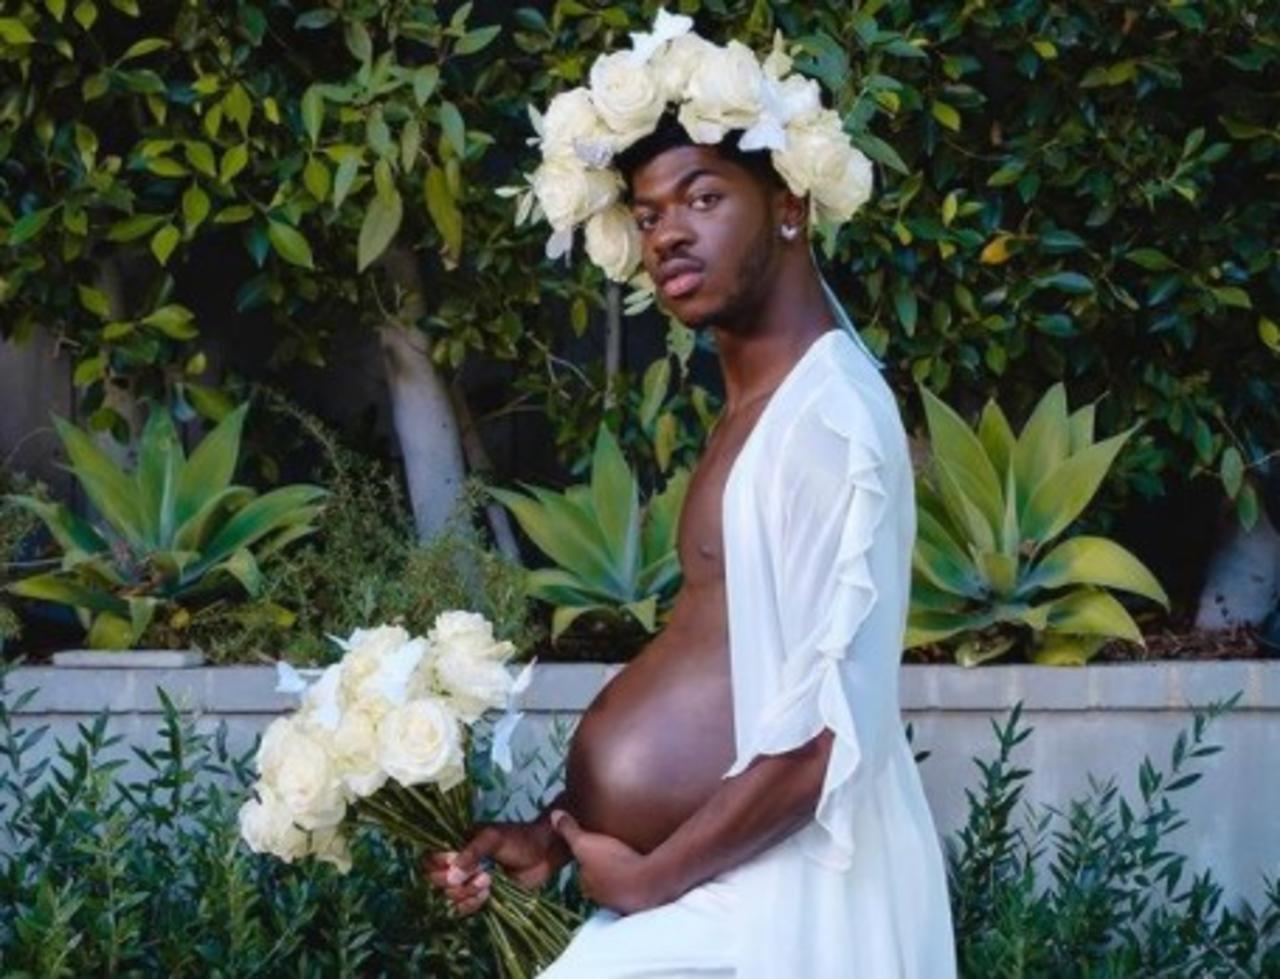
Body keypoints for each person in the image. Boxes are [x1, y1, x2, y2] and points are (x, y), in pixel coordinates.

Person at [426, 11, 957, 977]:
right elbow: (726, 668)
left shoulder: (830, 420)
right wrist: (558, 834)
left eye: (703, 196)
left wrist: (650, 877)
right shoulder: (758, 408)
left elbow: (829, 733)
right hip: (720, 880)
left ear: (789, 207)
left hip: (789, 900)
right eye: (647, 214)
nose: (668, 231)